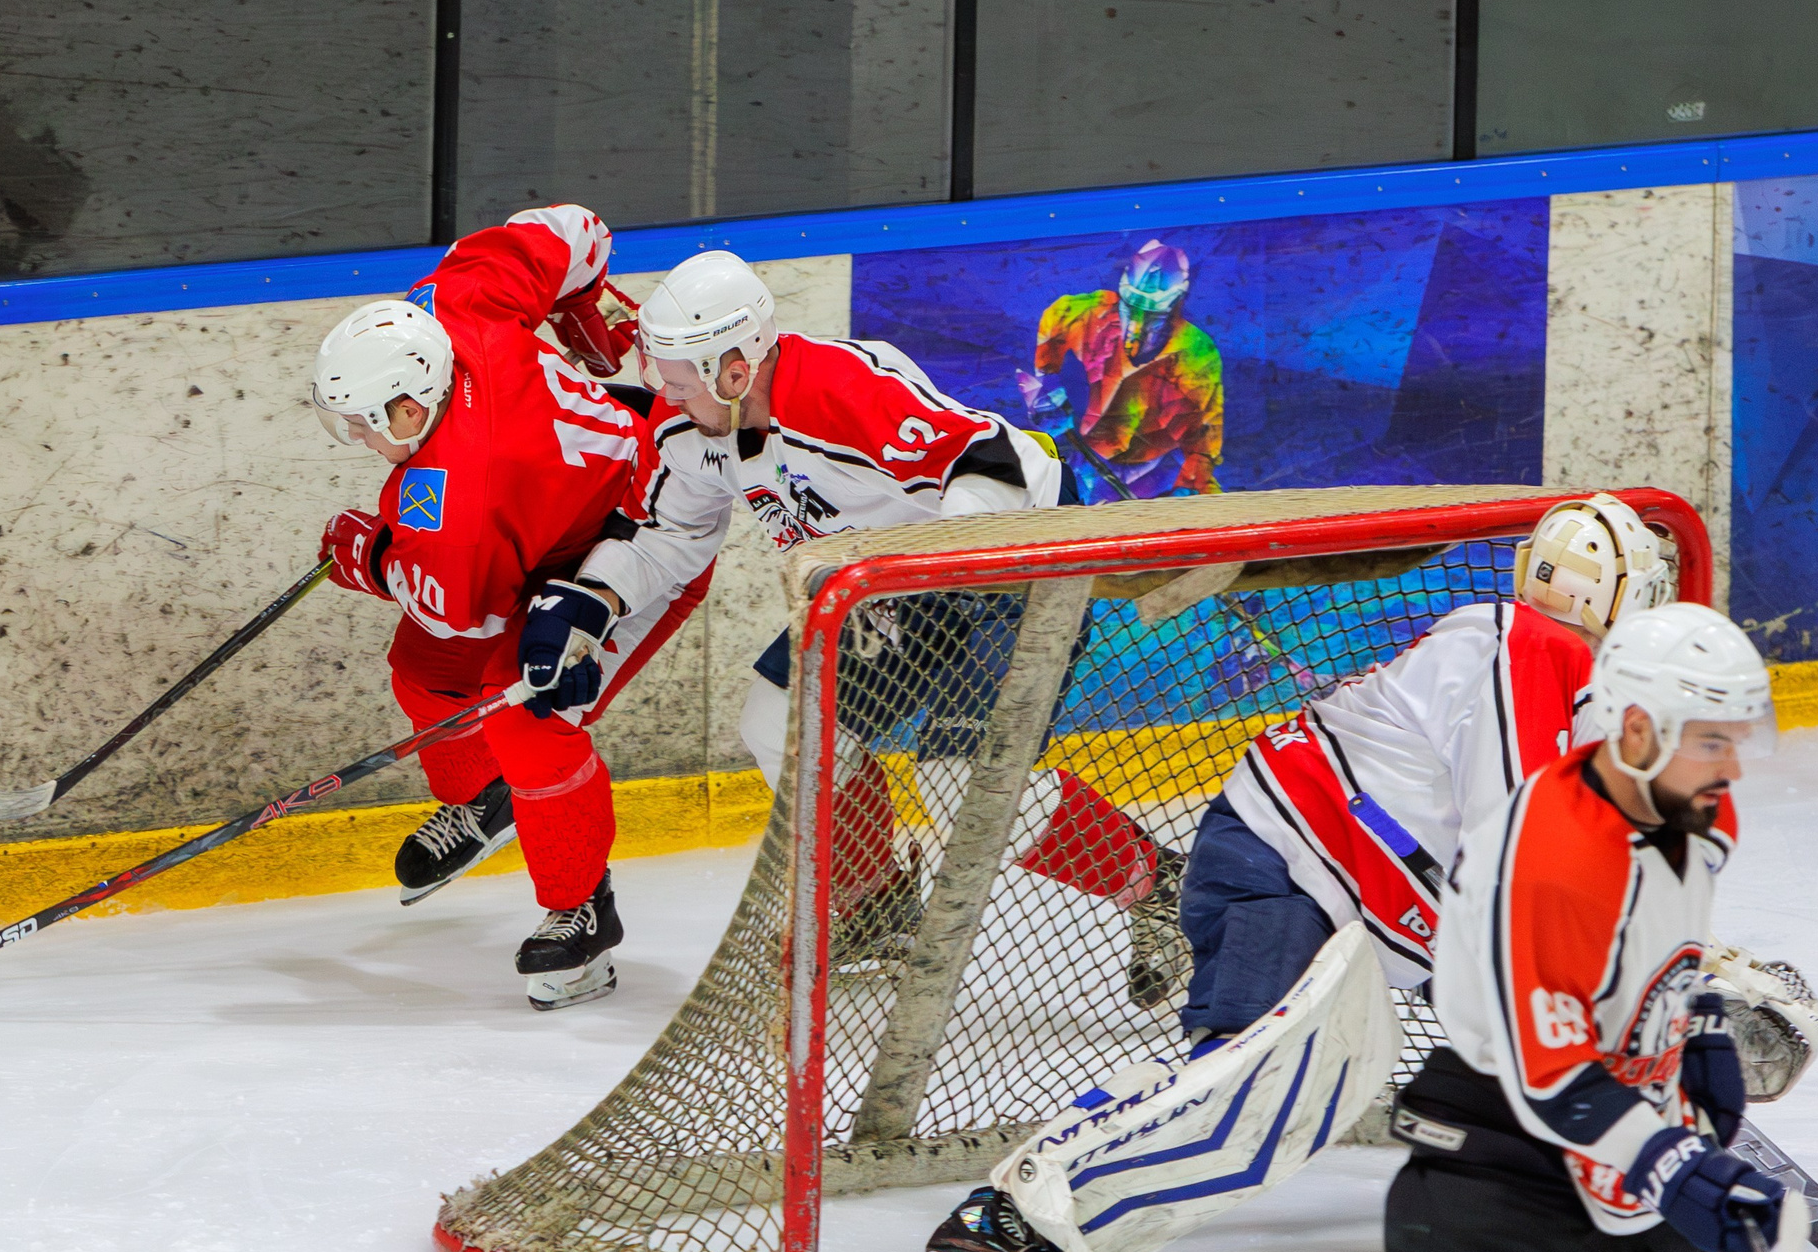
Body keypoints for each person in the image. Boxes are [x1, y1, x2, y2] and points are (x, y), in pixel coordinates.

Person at [896, 495, 1694, 1252]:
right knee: (1244, 1077)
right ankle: (1012, 1215)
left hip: (1323, 878)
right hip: (1289, 862)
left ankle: (1595, 1183)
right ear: (1615, 593)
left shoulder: (1543, 666)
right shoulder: (1528, 644)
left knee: (1259, 1086)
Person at [538, 249, 1185, 990]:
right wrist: (590, 602)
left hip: (1008, 552)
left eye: (679, 379)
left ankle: (1163, 884)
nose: (663, 393)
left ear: (734, 369)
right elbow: (667, 535)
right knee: (778, 721)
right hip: (891, 581)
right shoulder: (689, 433)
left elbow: (988, 458)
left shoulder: (840, 386)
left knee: (959, 785)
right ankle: (877, 901)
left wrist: (936, 568)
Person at [1350, 601, 1790, 1252]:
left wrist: (1705, 1026)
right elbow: (1549, 1078)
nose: (1732, 765)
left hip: (1626, 1169)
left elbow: (1666, 942)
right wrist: (1677, 1162)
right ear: (1632, 731)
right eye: (1710, 738)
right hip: (1491, 1190)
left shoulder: (1698, 813)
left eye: (1739, 737)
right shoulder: (1545, 854)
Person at [310, 203, 701, 1011]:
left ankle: (582, 911)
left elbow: (466, 613)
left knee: (524, 710)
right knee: (422, 668)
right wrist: (586, 312)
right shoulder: (459, 302)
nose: (358, 439)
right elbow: (578, 228)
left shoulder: (458, 503)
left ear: (410, 409)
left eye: (362, 426)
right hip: (544, 522)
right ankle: (488, 801)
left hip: (636, 536)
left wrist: (370, 556)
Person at [1022, 238, 1224, 499]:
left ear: (1175, 306)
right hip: (1086, 459)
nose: (1136, 328)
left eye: (1153, 317)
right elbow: (1055, 319)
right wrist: (1048, 379)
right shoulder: (1089, 313)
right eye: (1130, 309)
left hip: (1156, 472)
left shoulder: (1196, 353)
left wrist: (1189, 485)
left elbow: (1204, 439)